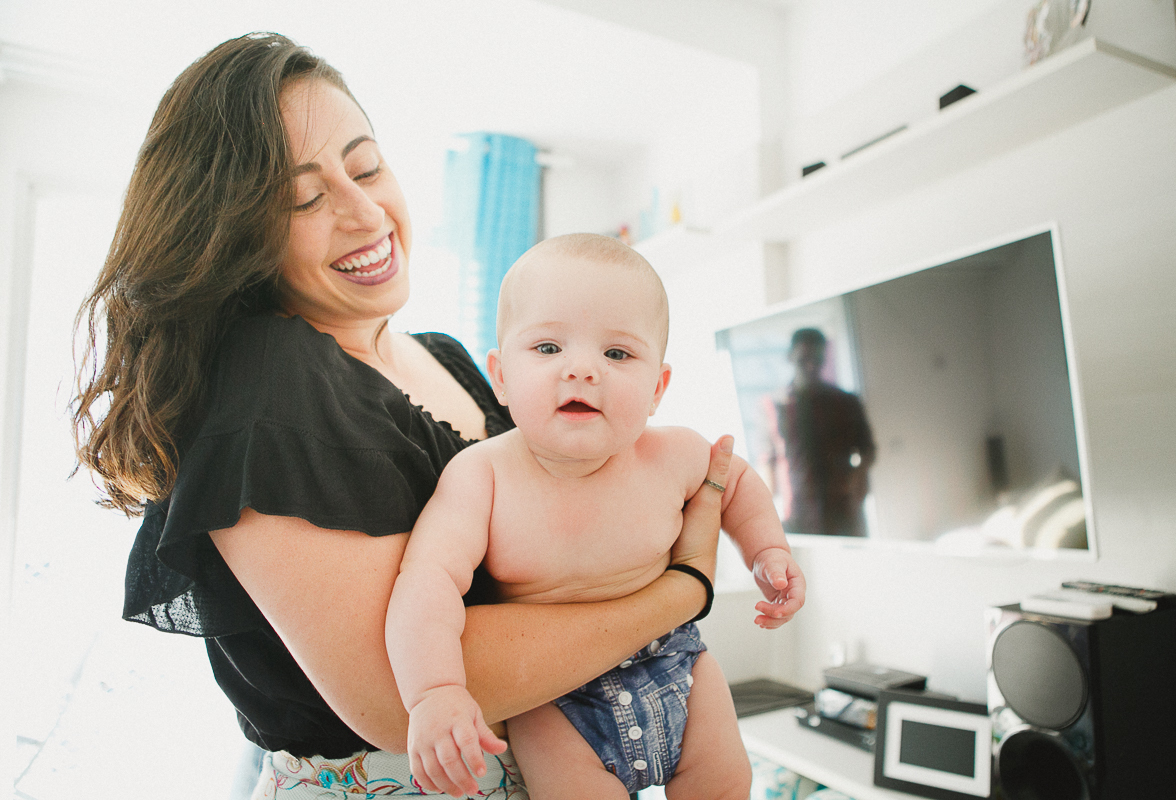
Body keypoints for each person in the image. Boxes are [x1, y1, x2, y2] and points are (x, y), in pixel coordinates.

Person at [70, 33, 732, 799]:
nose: (365, 213)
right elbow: (393, 698)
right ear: (233, 233)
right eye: (305, 198)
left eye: (366, 168)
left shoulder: (444, 356)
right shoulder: (267, 390)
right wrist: (681, 591)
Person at [388, 234, 806, 799]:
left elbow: (737, 483)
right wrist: (434, 691)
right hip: (553, 697)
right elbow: (426, 581)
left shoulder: (673, 454)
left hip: (678, 662)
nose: (582, 370)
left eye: (617, 354)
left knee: (727, 783)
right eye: (548, 347)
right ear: (501, 377)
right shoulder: (481, 475)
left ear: (657, 388)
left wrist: (768, 552)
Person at [760, 328, 876, 537]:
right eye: (803, 359)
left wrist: (857, 484)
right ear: (790, 357)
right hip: (796, 513)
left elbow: (867, 450)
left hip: (842, 510)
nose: (811, 366)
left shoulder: (846, 402)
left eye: (817, 359)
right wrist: (766, 512)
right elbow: (767, 460)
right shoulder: (773, 406)